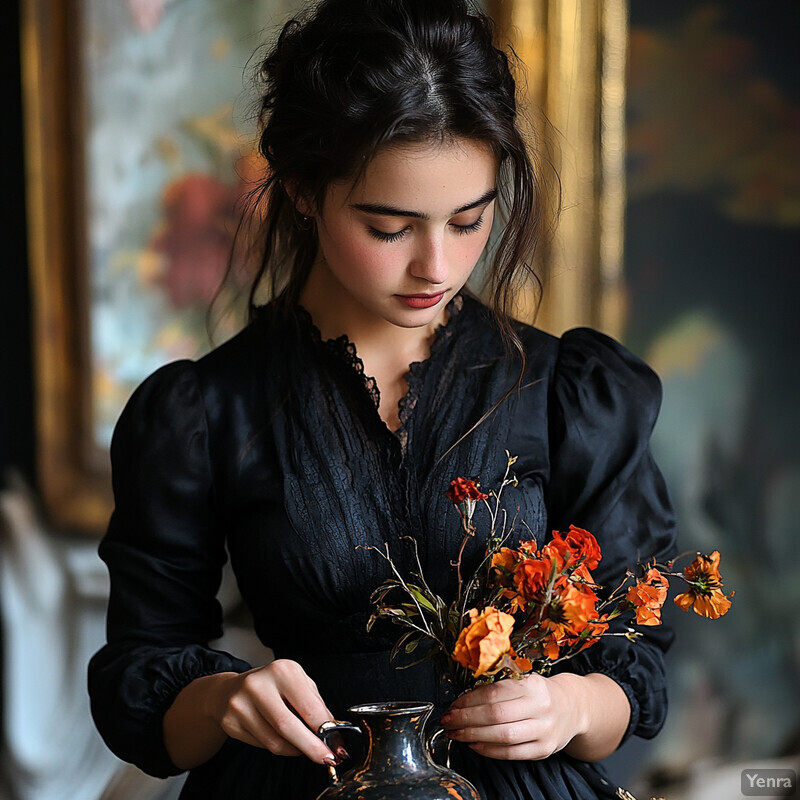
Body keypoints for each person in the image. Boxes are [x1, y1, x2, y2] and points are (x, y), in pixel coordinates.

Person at [88, 1, 677, 798]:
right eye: (390, 227)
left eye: (470, 220)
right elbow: (142, 675)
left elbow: (632, 673)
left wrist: (571, 703)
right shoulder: (206, 412)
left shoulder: (569, 394)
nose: (437, 265)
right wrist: (225, 698)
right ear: (301, 190)